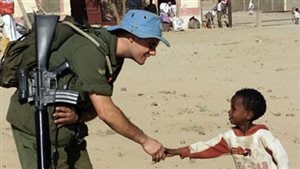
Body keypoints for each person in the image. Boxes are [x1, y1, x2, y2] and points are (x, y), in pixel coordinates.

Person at [6, 9, 170, 169]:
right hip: (37, 127)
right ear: (132, 37)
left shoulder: (112, 56)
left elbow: (94, 106)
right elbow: (106, 112)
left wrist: (78, 116)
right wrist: (145, 141)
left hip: (68, 130)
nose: (153, 52)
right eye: (151, 45)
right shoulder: (92, 51)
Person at [165, 88, 289, 169]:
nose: (229, 112)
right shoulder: (231, 137)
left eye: (234, 109)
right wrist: (180, 151)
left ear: (248, 115)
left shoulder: (263, 135)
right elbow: (208, 147)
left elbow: (281, 157)